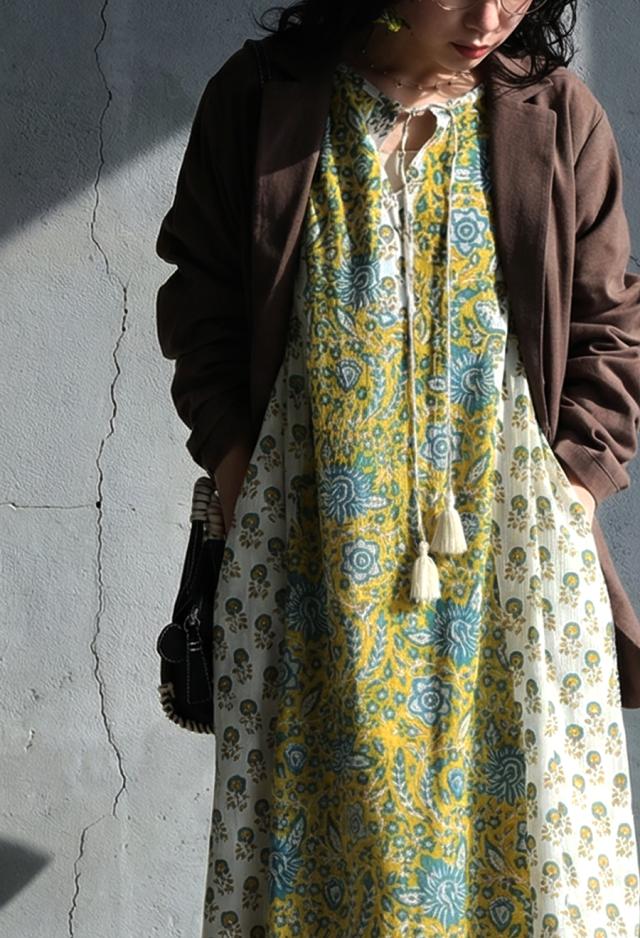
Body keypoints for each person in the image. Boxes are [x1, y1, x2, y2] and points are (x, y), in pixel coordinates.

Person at [155, 0, 640, 933]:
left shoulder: (554, 114)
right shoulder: (264, 100)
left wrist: (575, 487)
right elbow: (200, 297)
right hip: (313, 562)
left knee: (530, 862)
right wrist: (235, 460)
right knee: (323, 858)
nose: (491, 15)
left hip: (508, 569)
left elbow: (610, 320)